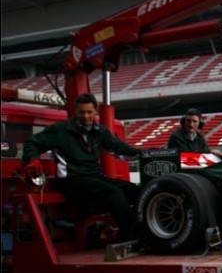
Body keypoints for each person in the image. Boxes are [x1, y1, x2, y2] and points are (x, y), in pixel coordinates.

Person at [22, 93, 142, 241]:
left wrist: (144, 153)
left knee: (136, 191)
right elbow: (31, 143)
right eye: (81, 112)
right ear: (75, 111)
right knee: (114, 194)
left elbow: (120, 147)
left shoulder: (100, 131)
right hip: (72, 180)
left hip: (94, 178)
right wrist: (33, 160)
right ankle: (127, 238)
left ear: (95, 112)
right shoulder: (61, 130)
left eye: (89, 112)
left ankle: (141, 232)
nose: (85, 116)